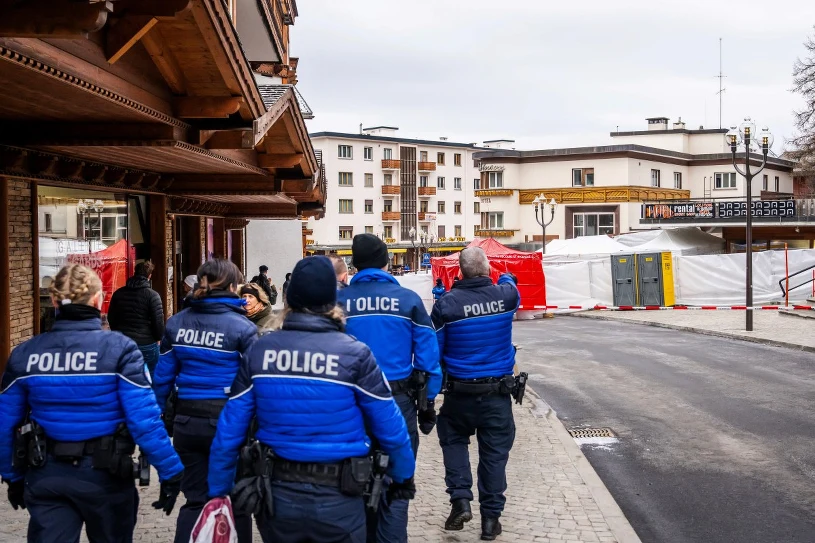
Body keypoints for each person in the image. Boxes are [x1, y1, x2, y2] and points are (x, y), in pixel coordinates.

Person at [208, 256, 416, 543]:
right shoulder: (356, 354)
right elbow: (390, 426)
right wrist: (403, 477)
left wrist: (218, 489)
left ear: (289, 298)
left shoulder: (260, 352)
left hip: (277, 497)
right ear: (333, 299)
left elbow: (230, 428)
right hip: (340, 498)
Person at [0, 264, 184, 543]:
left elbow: (5, 423)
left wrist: (12, 475)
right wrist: (170, 471)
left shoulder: (25, 354)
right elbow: (143, 420)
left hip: (47, 473)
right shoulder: (121, 350)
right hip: (106, 474)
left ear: (54, 301)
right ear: (99, 300)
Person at [337, 234, 441, 543]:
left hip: (350, 405)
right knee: (397, 484)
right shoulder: (408, 300)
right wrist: (428, 402)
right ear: (386, 262)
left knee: (351, 482)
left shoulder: (338, 303)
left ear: (355, 264)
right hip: (398, 403)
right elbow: (428, 358)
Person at [152, 259, 257, 543]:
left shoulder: (177, 323)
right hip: (228, 424)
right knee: (236, 501)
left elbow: (161, 378)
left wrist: (156, 421)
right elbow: (253, 382)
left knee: (195, 500)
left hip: (187, 423)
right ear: (233, 287)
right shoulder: (243, 328)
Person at [431, 247, 520, 541]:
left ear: (460, 272)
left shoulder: (447, 304)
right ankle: (490, 521)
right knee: (494, 456)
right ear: (487, 269)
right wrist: (504, 274)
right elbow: (510, 282)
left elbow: (435, 351)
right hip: (497, 394)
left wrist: (430, 394)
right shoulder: (506, 297)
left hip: (459, 394)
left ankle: (460, 500)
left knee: (453, 440)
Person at [107, 261, 165, 375]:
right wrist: (158, 338)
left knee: (125, 375)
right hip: (146, 343)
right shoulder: (153, 295)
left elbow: (111, 317)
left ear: (135, 272)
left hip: (123, 342)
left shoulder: (118, 293)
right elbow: (158, 322)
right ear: (149, 276)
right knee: (150, 375)